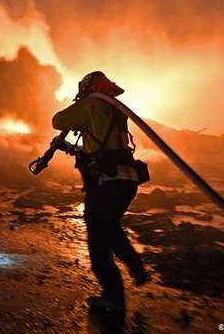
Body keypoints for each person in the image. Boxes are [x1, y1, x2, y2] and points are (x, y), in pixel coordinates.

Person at [52, 71, 150, 312]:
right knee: (111, 227)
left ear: (87, 89)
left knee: (98, 243)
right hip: (127, 181)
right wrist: (70, 148)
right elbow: (100, 148)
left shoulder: (92, 104)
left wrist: (80, 105)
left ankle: (113, 298)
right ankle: (137, 267)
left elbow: (58, 121)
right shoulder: (116, 109)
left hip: (106, 183)